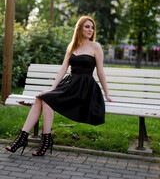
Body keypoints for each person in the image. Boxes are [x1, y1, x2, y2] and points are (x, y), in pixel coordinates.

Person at [5, 16, 113, 157]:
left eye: (92, 27)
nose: (90, 30)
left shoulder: (96, 47)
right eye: (87, 26)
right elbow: (63, 69)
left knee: (46, 100)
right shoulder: (72, 46)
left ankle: (35, 141)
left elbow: (100, 71)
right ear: (79, 28)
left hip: (84, 88)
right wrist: (52, 88)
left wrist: (107, 94)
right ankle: (28, 139)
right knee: (41, 98)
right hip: (69, 84)